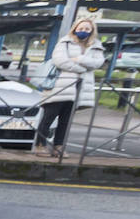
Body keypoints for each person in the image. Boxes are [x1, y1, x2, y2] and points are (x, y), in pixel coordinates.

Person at [35, 17, 105, 157]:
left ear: (92, 31)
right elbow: (60, 61)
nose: (83, 31)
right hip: (61, 86)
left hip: (80, 89)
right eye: (81, 28)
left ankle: (58, 146)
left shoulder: (96, 45)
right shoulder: (65, 42)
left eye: (87, 29)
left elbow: (98, 63)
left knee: (65, 121)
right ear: (75, 28)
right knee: (49, 116)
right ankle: (40, 144)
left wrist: (79, 59)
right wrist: (81, 69)